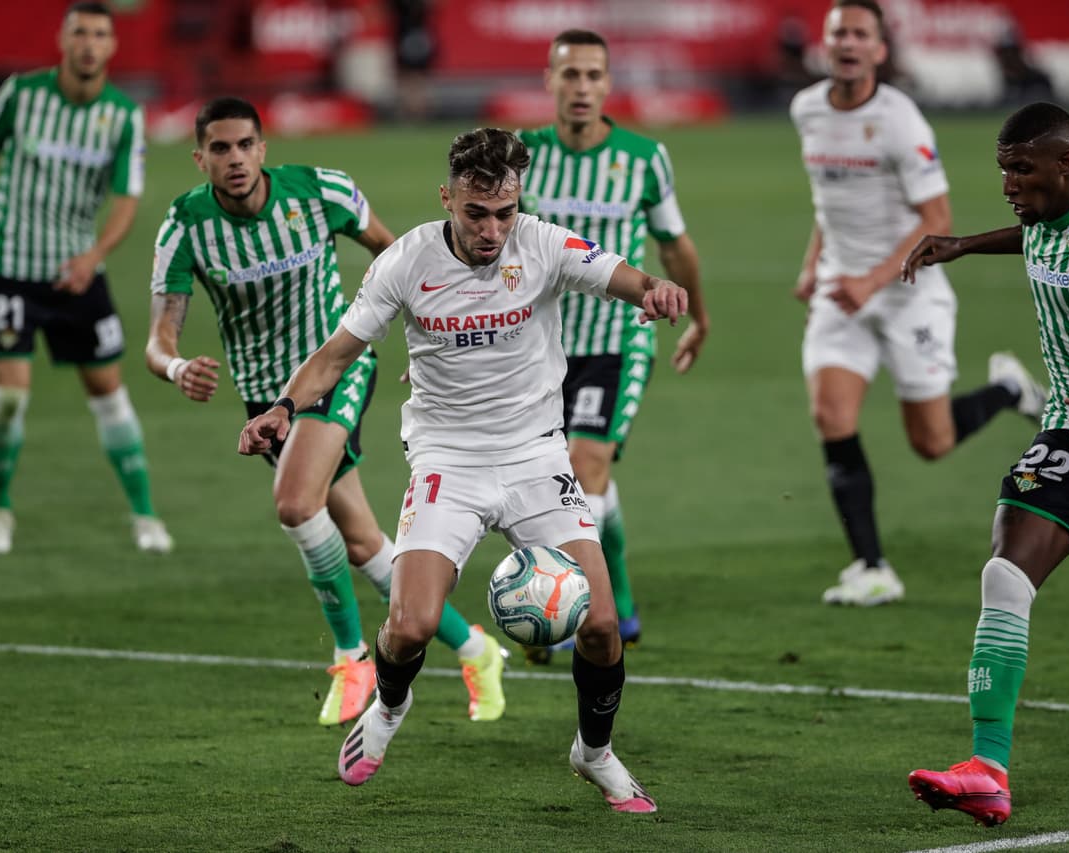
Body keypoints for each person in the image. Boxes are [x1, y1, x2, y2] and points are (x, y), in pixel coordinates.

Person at [239, 128, 687, 812]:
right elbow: (337, 351)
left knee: (598, 623)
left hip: (536, 453)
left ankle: (593, 752)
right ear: (447, 198)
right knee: (412, 623)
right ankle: (388, 707)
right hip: (448, 459)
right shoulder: (405, 260)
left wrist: (655, 289)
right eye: (476, 212)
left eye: (505, 211)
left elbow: (623, 275)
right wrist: (282, 407)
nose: (492, 228)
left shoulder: (541, 242)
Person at [146, 97, 507, 727]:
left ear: (263, 148)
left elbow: (398, 256)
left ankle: (350, 657)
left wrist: (429, 331)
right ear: (200, 157)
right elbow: (160, 338)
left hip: (335, 369)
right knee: (364, 542)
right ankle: (477, 651)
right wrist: (177, 367)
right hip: (267, 397)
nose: (235, 159)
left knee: (294, 503)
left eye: (246, 145)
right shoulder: (186, 225)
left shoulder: (319, 192)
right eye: (221, 149)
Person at [903, 101, 1069, 827]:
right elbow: (1040, 239)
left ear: (1066, 163)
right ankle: (987, 767)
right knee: (1005, 569)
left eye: (1021, 169)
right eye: (1002, 169)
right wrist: (962, 244)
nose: (1007, 185)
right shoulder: (1041, 211)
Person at [789, 0, 1046, 606]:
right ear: (825, 45)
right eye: (838, 33)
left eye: (860, 34)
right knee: (832, 416)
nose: (848, 43)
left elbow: (939, 220)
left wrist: (872, 282)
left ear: (880, 49)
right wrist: (812, 264)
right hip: (841, 291)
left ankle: (1009, 390)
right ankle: (872, 566)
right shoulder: (807, 110)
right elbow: (828, 202)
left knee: (930, 443)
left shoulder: (901, 120)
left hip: (909, 292)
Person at [517, 29, 710, 657]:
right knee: (544, 478)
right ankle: (619, 597)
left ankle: (569, 609)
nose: (581, 88)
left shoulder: (642, 157)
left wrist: (699, 316)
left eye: (593, 75)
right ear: (548, 80)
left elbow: (676, 245)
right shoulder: (521, 155)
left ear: (608, 84)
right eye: (569, 75)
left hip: (615, 342)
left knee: (584, 467)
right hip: (537, 347)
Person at [0, 1, 171, 555]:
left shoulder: (123, 114)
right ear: (63, 39)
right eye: (80, 33)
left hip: (77, 272)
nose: (90, 44)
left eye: (100, 34)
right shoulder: (21, 95)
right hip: (9, 267)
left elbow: (127, 197)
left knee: (109, 393)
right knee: (7, 400)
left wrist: (93, 253)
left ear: (112, 46)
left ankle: (146, 515)